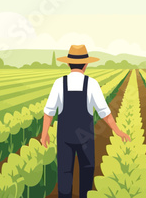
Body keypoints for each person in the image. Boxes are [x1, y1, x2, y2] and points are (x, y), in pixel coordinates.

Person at [40, 44, 131, 198]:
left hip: (65, 137)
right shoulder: (92, 84)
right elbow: (105, 113)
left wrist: (44, 134)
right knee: (87, 171)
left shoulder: (59, 83)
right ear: (86, 64)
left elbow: (48, 113)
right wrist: (117, 131)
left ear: (68, 63)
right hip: (86, 137)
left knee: (64, 173)